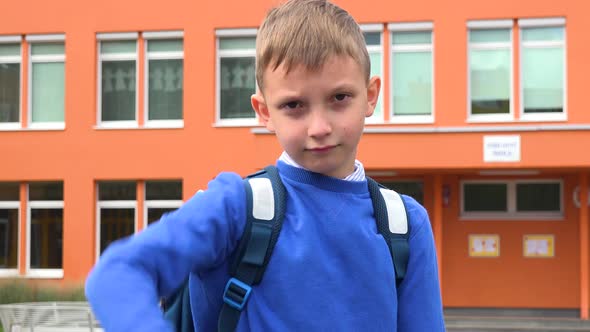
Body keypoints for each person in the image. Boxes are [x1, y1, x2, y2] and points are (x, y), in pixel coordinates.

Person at [85, 0, 445, 331]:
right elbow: (117, 273)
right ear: (264, 112)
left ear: (369, 96)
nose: (319, 127)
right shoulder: (234, 207)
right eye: (294, 105)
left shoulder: (405, 224)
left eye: (339, 98)